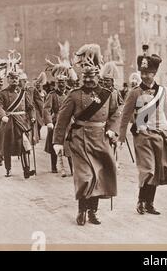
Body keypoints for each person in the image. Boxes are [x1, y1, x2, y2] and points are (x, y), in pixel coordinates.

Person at [52, 44, 121, 226]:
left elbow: (116, 113)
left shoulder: (108, 94)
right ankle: (81, 210)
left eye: (93, 77)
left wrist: (113, 129)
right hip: (80, 140)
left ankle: (93, 212)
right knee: (85, 177)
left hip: (101, 139)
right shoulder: (74, 95)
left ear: (98, 76)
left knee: (99, 176)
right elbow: (62, 119)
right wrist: (58, 141)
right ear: (82, 77)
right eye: (86, 77)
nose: (89, 81)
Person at [118, 45, 167, 215]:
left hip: (161, 135)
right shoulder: (134, 92)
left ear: (155, 74)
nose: (145, 76)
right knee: (148, 169)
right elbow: (125, 116)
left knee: (158, 170)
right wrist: (120, 138)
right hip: (143, 136)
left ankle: (150, 203)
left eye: (148, 73)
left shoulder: (163, 91)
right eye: (142, 73)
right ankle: (141, 201)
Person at [0, 51, 36, 179]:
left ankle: (26, 169)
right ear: (8, 79)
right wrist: (2, 116)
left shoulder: (24, 93)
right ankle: (8, 169)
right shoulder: (3, 93)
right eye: (11, 78)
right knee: (7, 147)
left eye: (16, 78)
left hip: (22, 123)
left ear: (19, 80)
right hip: (9, 124)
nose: (14, 80)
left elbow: (30, 107)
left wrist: (32, 116)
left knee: (24, 146)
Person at [43, 57, 78, 176]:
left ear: (66, 82)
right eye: (59, 83)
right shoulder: (52, 95)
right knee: (55, 144)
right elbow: (46, 109)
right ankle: (54, 166)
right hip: (56, 121)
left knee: (69, 145)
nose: (61, 85)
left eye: (63, 83)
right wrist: (49, 122)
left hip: (69, 122)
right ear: (56, 83)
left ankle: (72, 168)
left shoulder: (70, 93)